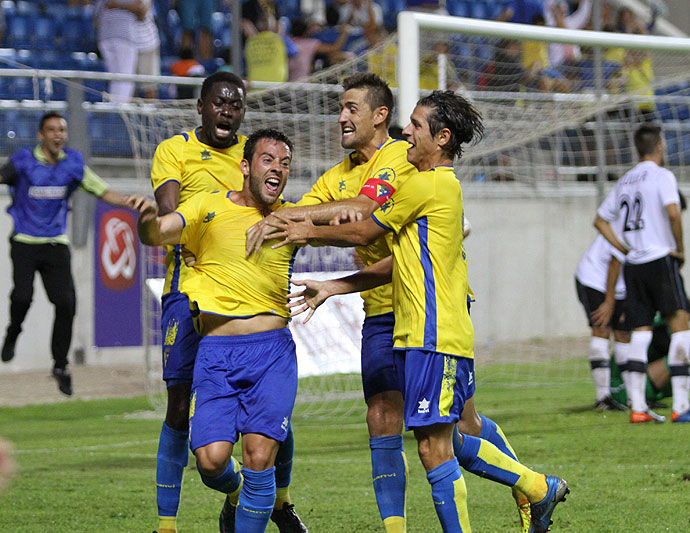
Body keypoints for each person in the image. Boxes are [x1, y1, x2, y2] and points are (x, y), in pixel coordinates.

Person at [245, 75, 559, 532]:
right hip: (389, 314)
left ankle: (532, 487)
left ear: (380, 116)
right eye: (340, 108)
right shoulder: (338, 176)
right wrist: (264, 215)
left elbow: (365, 218)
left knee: (451, 432)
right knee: (390, 420)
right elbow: (314, 212)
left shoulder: (406, 163)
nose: (341, 117)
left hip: (433, 316)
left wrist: (304, 226)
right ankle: (414, 523)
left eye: (352, 108)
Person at [149, 72, 306, 533]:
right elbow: (168, 219)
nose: (227, 111)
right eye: (219, 103)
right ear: (201, 106)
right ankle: (170, 521)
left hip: (255, 302)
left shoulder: (258, 158)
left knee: (269, 414)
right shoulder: (175, 151)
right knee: (180, 406)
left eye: (235, 105)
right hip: (191, 292)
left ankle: (279, 499)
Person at [0, 112, 147, 395]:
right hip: (25, 241)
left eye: (62, 130)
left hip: (56, 242)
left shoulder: (74, 165)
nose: (58, 135)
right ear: (41, 135)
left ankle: (59, 365)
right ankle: (13, 332)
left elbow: (102, 191)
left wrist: (133, 203)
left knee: (66, 303)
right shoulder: (22, 162)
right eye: (52, 130)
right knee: (22, 296)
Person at [594, 124, 690, 424]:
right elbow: (674, 213)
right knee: (682, 328)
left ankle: (638, 408)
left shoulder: (625, 180)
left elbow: (599, 221)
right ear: (659, 146)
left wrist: (623, 248)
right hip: (660, 260)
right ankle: (682, 406)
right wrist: (680, 248)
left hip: (633, 265)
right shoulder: (662, 176)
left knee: (640, 334)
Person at [574, 233, 629, 411]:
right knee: (602, 328)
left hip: (620, 285)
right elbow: (615, 262)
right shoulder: (629, 225)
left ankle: (633, 396)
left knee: (624, 333)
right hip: (594, 279)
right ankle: (603, 397)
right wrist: (609, 301)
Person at [95, 0, 140, 102]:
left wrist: (116, 5)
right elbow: (141, 10)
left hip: (105, 36)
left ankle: (114, 107)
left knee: (116, 78)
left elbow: (96, 19)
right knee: (125, 77)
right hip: (123, 36)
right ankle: (119, 110)